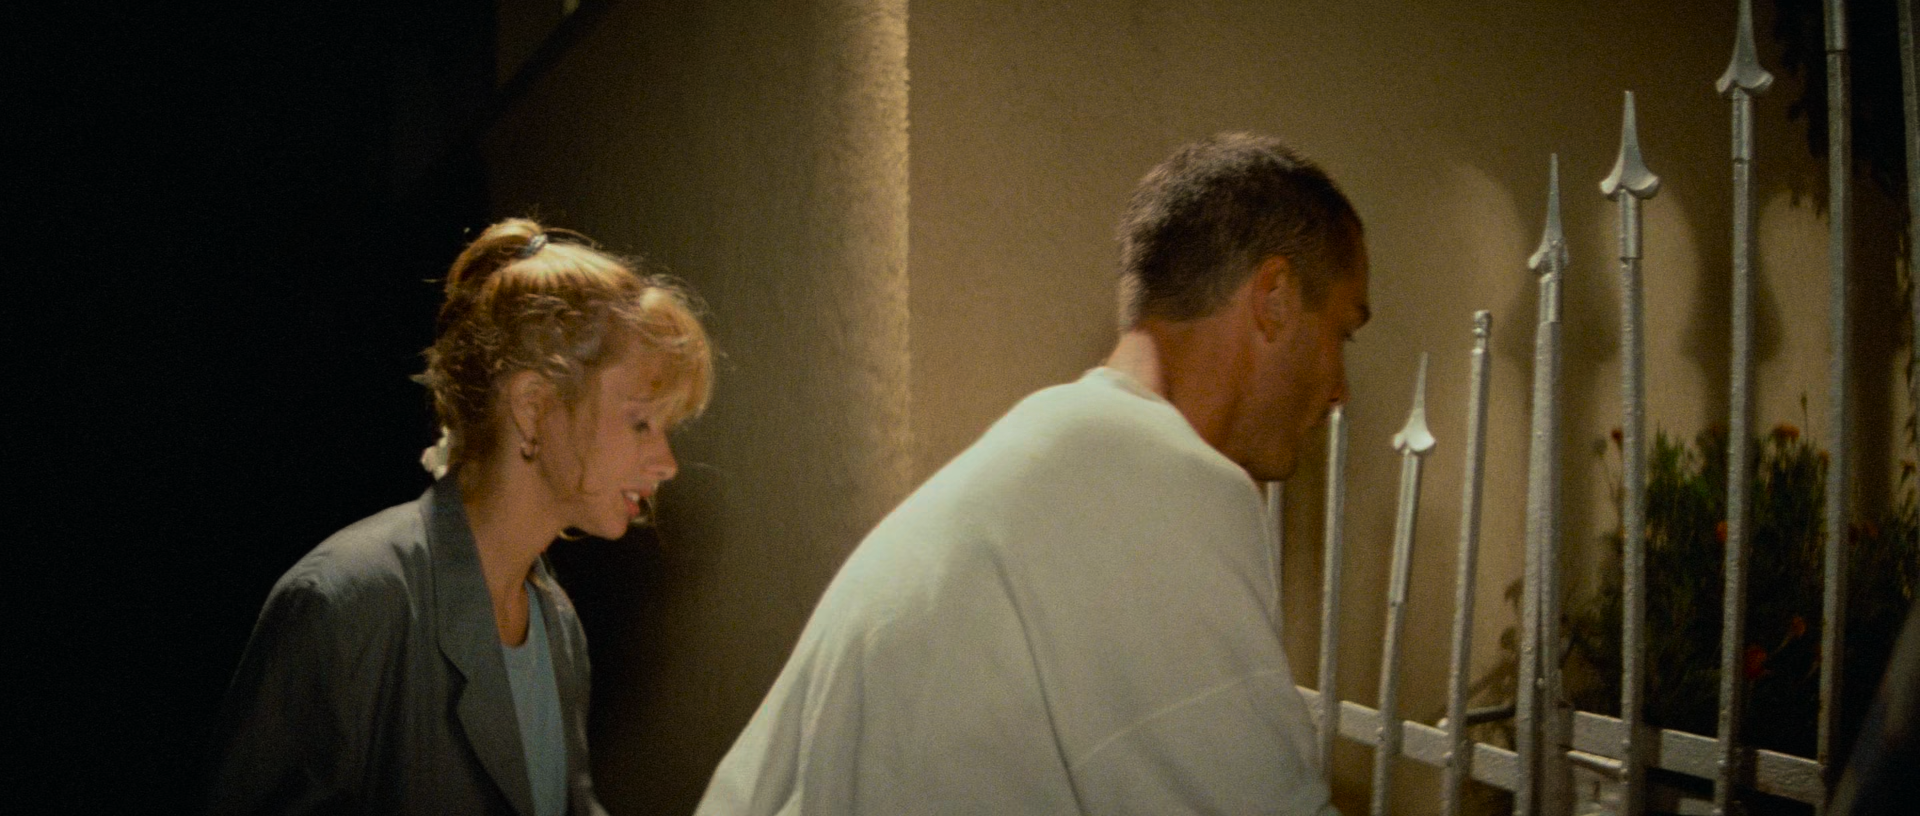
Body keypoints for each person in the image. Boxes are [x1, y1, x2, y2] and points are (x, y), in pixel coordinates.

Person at [696, 132, 1368, 814]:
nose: (1341, 390)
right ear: (1274, 297)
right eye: (1342, 332)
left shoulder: (1052, 449)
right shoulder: (1157, 483)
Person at [208, 218, 713, 815]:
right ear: (533, 407)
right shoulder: (349, 602)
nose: (667, 463)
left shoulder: (557, 624)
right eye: (641, 422)